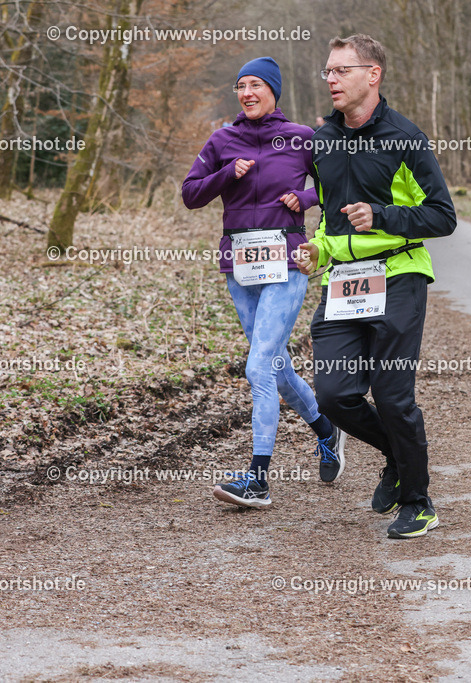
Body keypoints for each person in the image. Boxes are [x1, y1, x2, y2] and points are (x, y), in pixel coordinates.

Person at [293, 34, 456, 538]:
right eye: (328, 72)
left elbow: (442, 216)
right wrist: (317, 250)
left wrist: (382, 215)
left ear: (373, 74)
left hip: (400, 273)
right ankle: (396, 454)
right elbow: (327, 218)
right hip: (343, 281)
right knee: (334, 394)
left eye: (341, 71)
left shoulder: (404, 137)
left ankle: (418, 500)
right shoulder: (323, 141)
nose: (331, 80)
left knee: (391, 396)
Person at [182, 57, 346, 508]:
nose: (247, 92)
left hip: (288, 262)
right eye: (240, 85)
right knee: (273, 365)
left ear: (273, 91)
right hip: (240, 264)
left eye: (256, 84)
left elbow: (338, 186)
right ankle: (325, 428)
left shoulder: (301, 138)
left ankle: (257, 479)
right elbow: (190, 194)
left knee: (257, 367)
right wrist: (223, 175)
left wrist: (307, 196)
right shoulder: (222, 140)